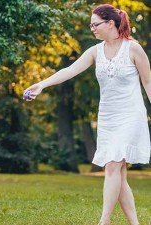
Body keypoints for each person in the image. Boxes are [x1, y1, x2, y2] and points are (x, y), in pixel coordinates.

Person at [23, 4, 151, 225]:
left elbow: (148, 82)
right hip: (108, 117)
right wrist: (41, 85)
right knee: (119, 174)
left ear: (110, 23)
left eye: (95, 24)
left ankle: (104, 221)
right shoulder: (95, 51)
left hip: (131, 115)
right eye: (91, 25)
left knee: (111, 165)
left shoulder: (133, 49)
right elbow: (70, 70)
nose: (92, 28)